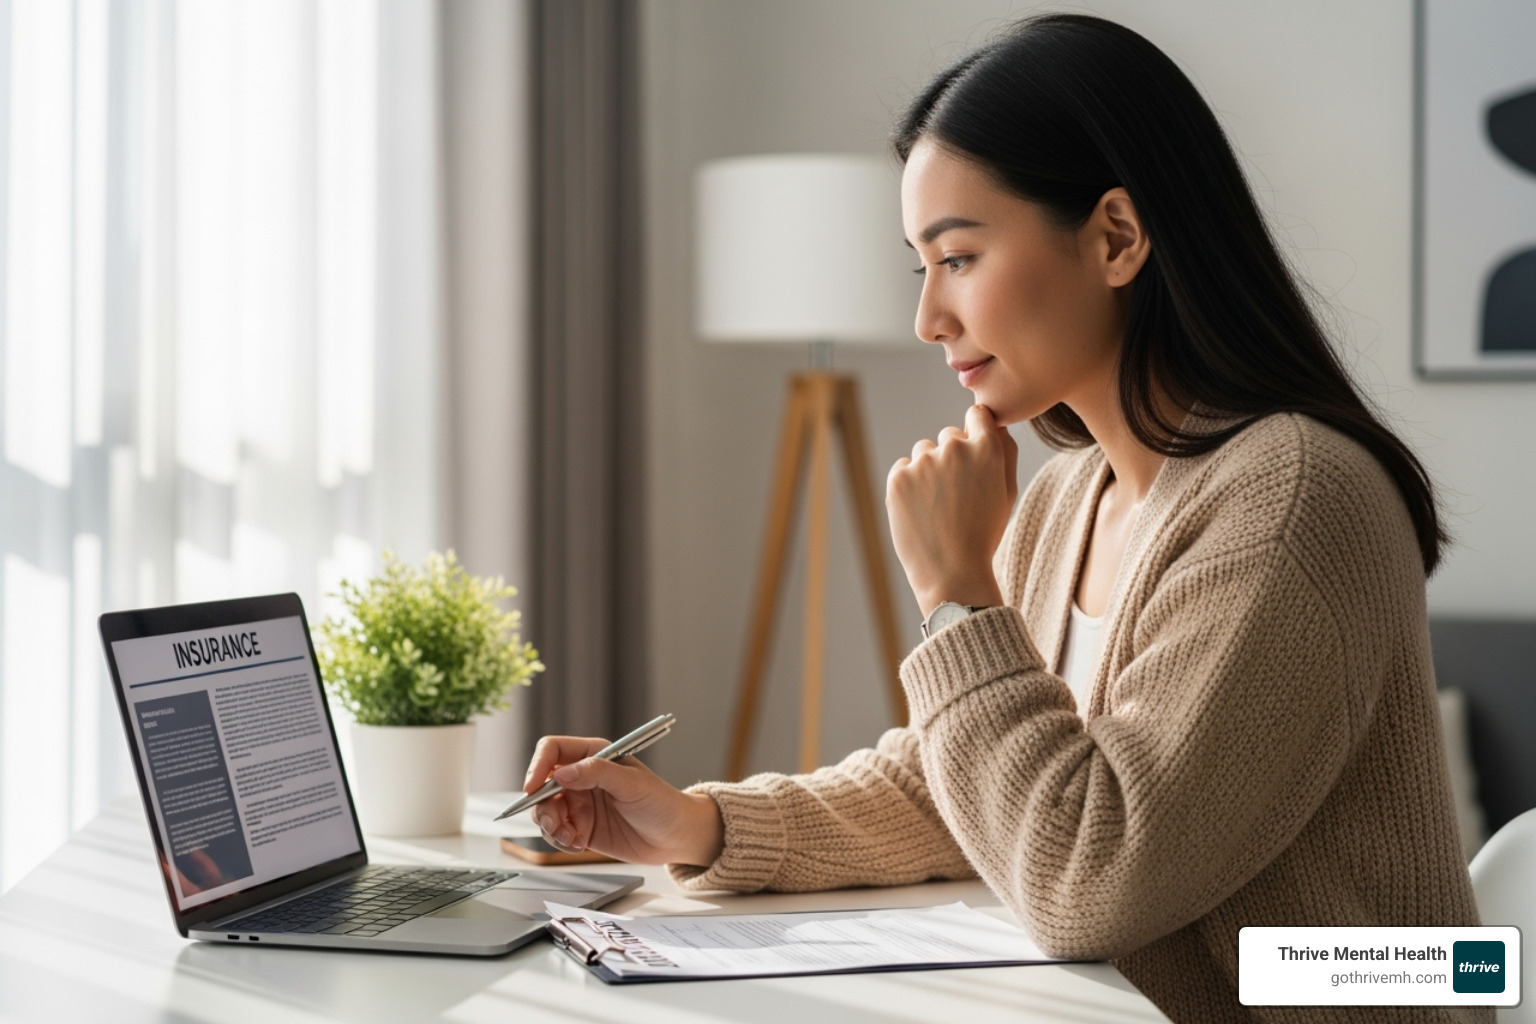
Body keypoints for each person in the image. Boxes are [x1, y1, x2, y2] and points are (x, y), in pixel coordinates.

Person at [521, 14, 1485, 1024]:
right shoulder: (1069, 496)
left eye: (961, 257)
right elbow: (960, 790)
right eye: (920, 267)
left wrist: (957, 597)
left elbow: (1091, 880)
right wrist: (697, 824)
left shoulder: (1293, 499)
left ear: (1117, 236)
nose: (928, 319)